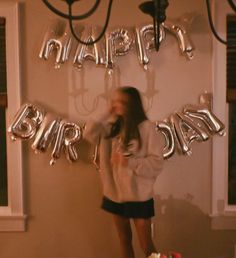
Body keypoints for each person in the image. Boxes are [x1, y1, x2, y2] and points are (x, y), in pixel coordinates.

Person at [83, 86, 165, 258]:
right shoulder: (111, 128)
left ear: (131, 104)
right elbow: (88, 133)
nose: (116, 104)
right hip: (114, 193)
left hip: (138, 195)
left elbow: (157, 163)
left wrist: (130, 162)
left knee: (147, 246)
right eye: (115, 101)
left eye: (121, 101)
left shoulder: (147, 128)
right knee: (124, 239)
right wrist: (107, 112)